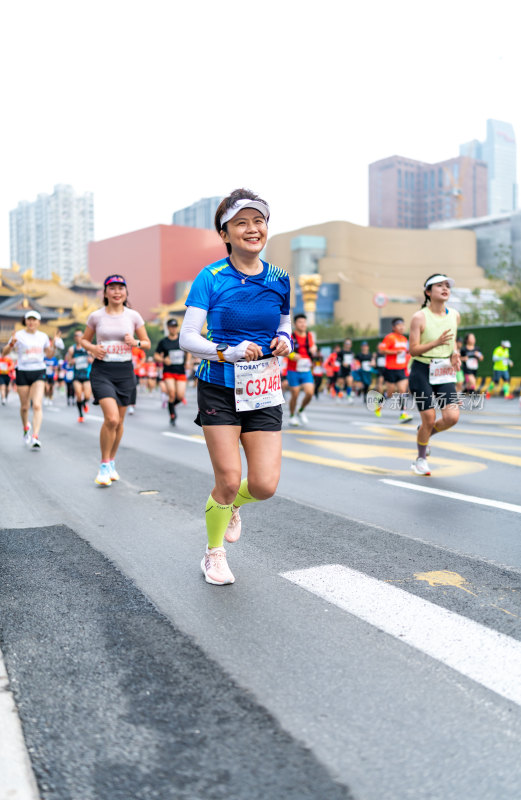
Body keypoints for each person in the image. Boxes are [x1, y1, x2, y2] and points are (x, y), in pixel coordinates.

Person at [179, 188, 291, 586]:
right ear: (225, 233)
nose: (251, 229)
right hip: (220, 386)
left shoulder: (280, 278)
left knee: (263, 485)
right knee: (227, 479)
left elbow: (283, 322)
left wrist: (285, 340)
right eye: (240, 223)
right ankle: (214, 553)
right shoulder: (210, 278)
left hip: (262, 388)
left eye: (258, 221)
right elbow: (188, 337)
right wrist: (225, 352)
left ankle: (229, 506)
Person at [81, 275, 150, 485]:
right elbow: (84, 339)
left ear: (126, 293)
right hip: (102, 371)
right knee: (111, 419)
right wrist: (93, 348)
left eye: (121, 288)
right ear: (105, 293)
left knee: (119, 422)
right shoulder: (96, 316)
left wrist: (135, 341)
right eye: (112, 288)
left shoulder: (134, 316)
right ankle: (103, 465)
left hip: (125, 372)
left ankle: (111, 460)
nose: (117, 292)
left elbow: (146, 343)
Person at [408, 274, 461, 476]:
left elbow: (452, 340)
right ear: (428, 292)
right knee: (429, 418)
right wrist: (435, 343)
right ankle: (420, 459)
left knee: (452, 417)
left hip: (444, 369)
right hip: (422, 369)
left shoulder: (454, 315)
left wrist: (454, 354)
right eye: (439, 285)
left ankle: (424, 433)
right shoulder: (419, 317)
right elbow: (413, 350)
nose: (445, 288)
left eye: (447, 286)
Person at [1, 310, 58, 448]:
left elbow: (49, 355)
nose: (31, 322)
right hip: (23, 371)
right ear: (25, 321)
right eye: (29, 319)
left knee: (37, 405)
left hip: (38, 370)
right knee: (25, 406)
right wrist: (11, 344)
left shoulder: (43, 336)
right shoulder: (19, 335)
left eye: (34, 320)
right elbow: (4, 353)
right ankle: (25, 428)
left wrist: (54, 345)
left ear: (39, 322)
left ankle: (35, 436)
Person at [154, 318, 190, 426]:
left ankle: (171, 405)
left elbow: (188, 351)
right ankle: (172, 415)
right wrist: (163, 360)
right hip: (168, 371)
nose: (173, 329)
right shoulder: (163, 342)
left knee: (180, 396)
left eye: (175, 327)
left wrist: (188, 361)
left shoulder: (182, 340)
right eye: (171, 327)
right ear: (168, 328)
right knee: (171, 392)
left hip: (180, 371)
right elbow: (156, 355)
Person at [376, 318, 413, 422]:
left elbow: (406, 353)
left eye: (403, 325)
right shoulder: (389, 338)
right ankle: (379, 404)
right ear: (393, 327)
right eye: (399, 325)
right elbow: (381, 350)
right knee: (390, 393)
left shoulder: (405, 340)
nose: (402, 327)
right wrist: (395, 352)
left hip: (401, 369)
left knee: (403, 390)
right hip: (390, 369)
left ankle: (403, 413)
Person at [286, 313, 316, 425]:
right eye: (300, 322)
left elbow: (313, 347)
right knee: (295, 393)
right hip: (293, 369)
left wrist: (314, 348)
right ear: (295, 324)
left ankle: (301, 410)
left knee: (310, 392)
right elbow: (286, 351)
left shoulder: (309, 336)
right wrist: (293, 356)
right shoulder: (291, 337)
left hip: (306, 369)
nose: (303, 324)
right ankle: (292, 416)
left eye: (304, 322)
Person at [67, 329, 93, 422]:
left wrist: (91, 359)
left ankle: (84, 403)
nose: (78, 337)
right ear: (75, 338)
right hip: (77, 376)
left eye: (80, 335)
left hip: (86, 376)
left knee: (87, 396)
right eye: (76, 335)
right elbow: (68, 362)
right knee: (78, 394)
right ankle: (81, 414)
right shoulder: (72, 349)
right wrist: (71, 362)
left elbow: (94, 359)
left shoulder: (88, 348)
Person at [337, 338, 355, 403]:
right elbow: (337, 359)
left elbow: (352, 361)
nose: (348, 345)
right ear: (344, 344)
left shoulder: (351, 352)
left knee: (350, 381)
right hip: (342, 369)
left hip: (348, 370)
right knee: (340, 383)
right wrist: (342, 363)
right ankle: (339, 395)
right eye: (347, 343)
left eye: (349, 344)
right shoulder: (341, 352)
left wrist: (353, 364)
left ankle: (348, 395)